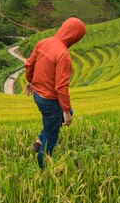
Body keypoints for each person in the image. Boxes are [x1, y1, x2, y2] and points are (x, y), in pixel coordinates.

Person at [24, 17, 86, 168]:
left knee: (65, 114)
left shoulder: (43, 42)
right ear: (75, 37)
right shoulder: (63, 55)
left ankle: (39, 141)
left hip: (38, 96)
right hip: (49, 100)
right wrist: (65, 111)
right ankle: (42, 168)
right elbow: (61, 87)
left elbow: (29, 64)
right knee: (52, 137)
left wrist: (29, 81)